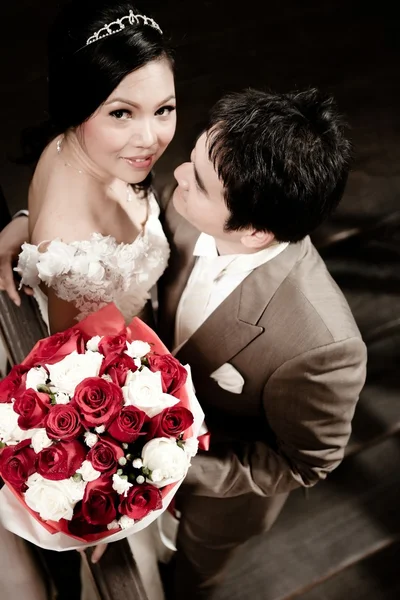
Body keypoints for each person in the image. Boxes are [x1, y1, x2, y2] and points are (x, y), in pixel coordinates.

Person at [1, 87, 367, 599]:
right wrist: (28, 228)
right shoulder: (188, 207)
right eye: (192, 158)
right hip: (121, 428)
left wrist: (160, 465)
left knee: (193, 578)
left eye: (197, 180)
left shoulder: (322, 347)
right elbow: (116, 236)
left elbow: (304, 463)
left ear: (256, 232)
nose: (175, 176)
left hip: (215, 500)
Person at [0, 0, 176, 598]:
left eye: (164, 109)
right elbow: (75, 367)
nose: (149, 138)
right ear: (81, 107)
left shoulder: (73, 149)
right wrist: (103, 494)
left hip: (129, 326)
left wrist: (20, 223)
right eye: (122, 113)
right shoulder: (72, 246)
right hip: (102, 371)